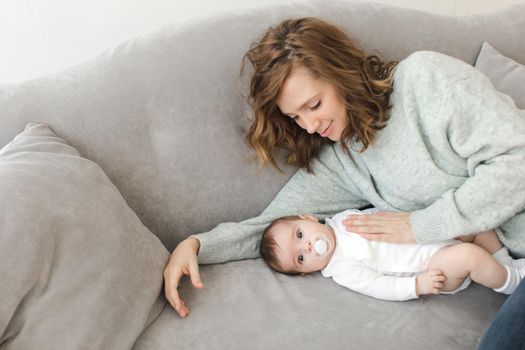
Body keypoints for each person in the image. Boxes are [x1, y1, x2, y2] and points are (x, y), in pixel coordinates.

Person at [163, 16, 525, 326]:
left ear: (342, 73)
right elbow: (274, 226)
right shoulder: (344, 162)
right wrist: (196, 245)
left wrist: (421, 226)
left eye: (314, 104)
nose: (308, 125)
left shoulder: (424, 79)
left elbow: (518, 158)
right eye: (295, 116)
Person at [259, 208, 525, 301]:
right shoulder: (341, 269)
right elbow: (378, 286)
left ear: (307, 219)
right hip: (435, 266)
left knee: (478, 225)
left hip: (431, 235)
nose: (306, 247)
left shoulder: (342, 219)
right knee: (469, 256)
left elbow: (382, 213)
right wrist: (415, 285)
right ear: (307, 272)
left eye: (300, 235)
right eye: (301, 259)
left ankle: (505, 263)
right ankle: (511, 283)